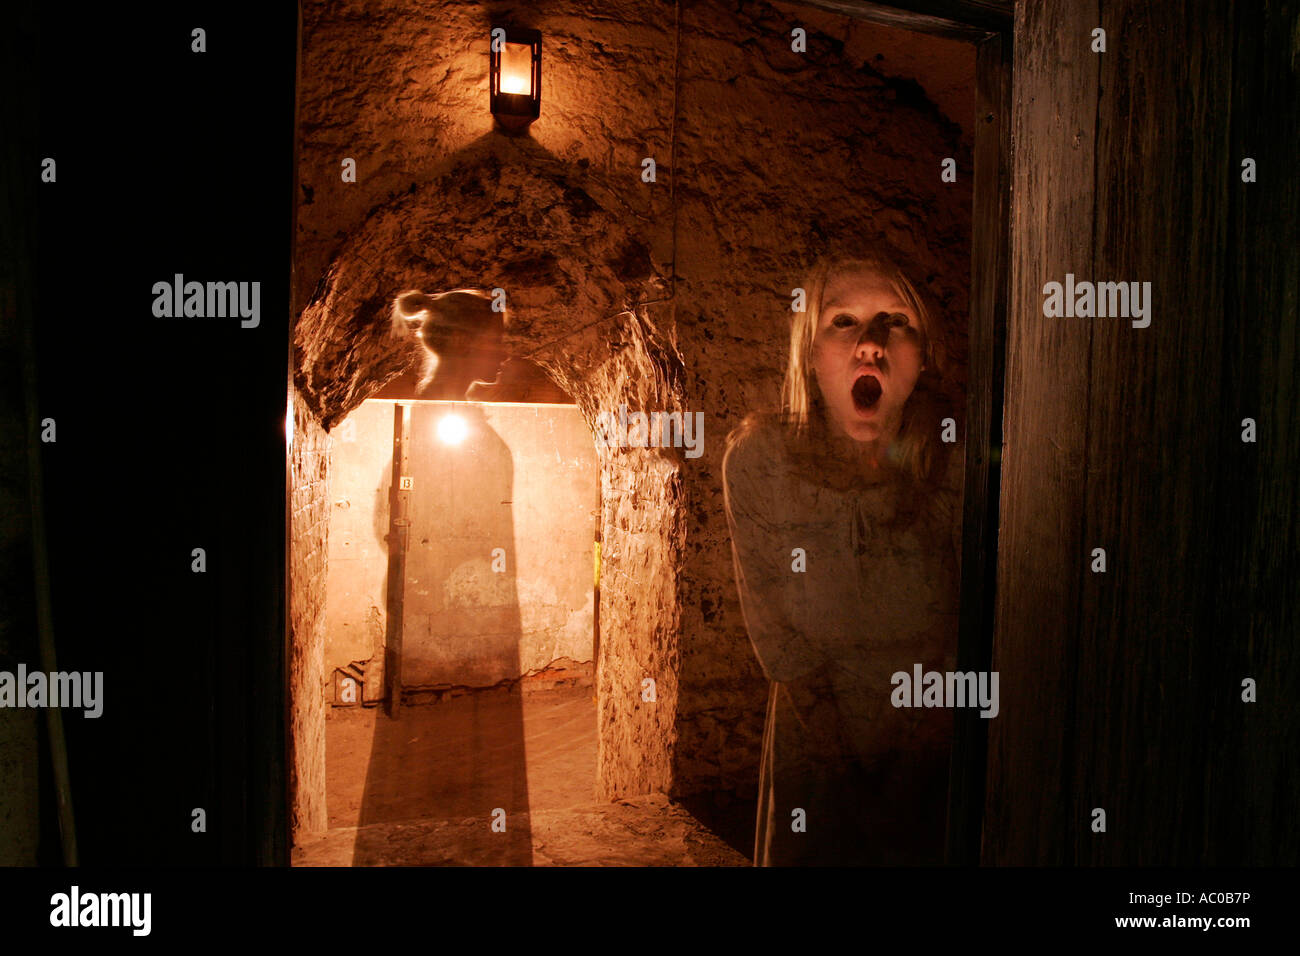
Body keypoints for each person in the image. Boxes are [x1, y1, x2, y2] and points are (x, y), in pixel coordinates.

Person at [721, 246, 965, 866]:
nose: (871, 343)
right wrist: (848, 768)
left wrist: (922, 746)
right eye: (843, 322)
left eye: (896, 321)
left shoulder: (954, 459)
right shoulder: (761, 460)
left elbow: (977, 611)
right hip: (815, 735)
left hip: (933, 723)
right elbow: (776, 631)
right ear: (810, 354)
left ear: (924, 354)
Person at [391, 288, 509, 399]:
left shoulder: (442, 403)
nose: (505, 356)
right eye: (495, 342)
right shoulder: (437, 408)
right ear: (459, 340)